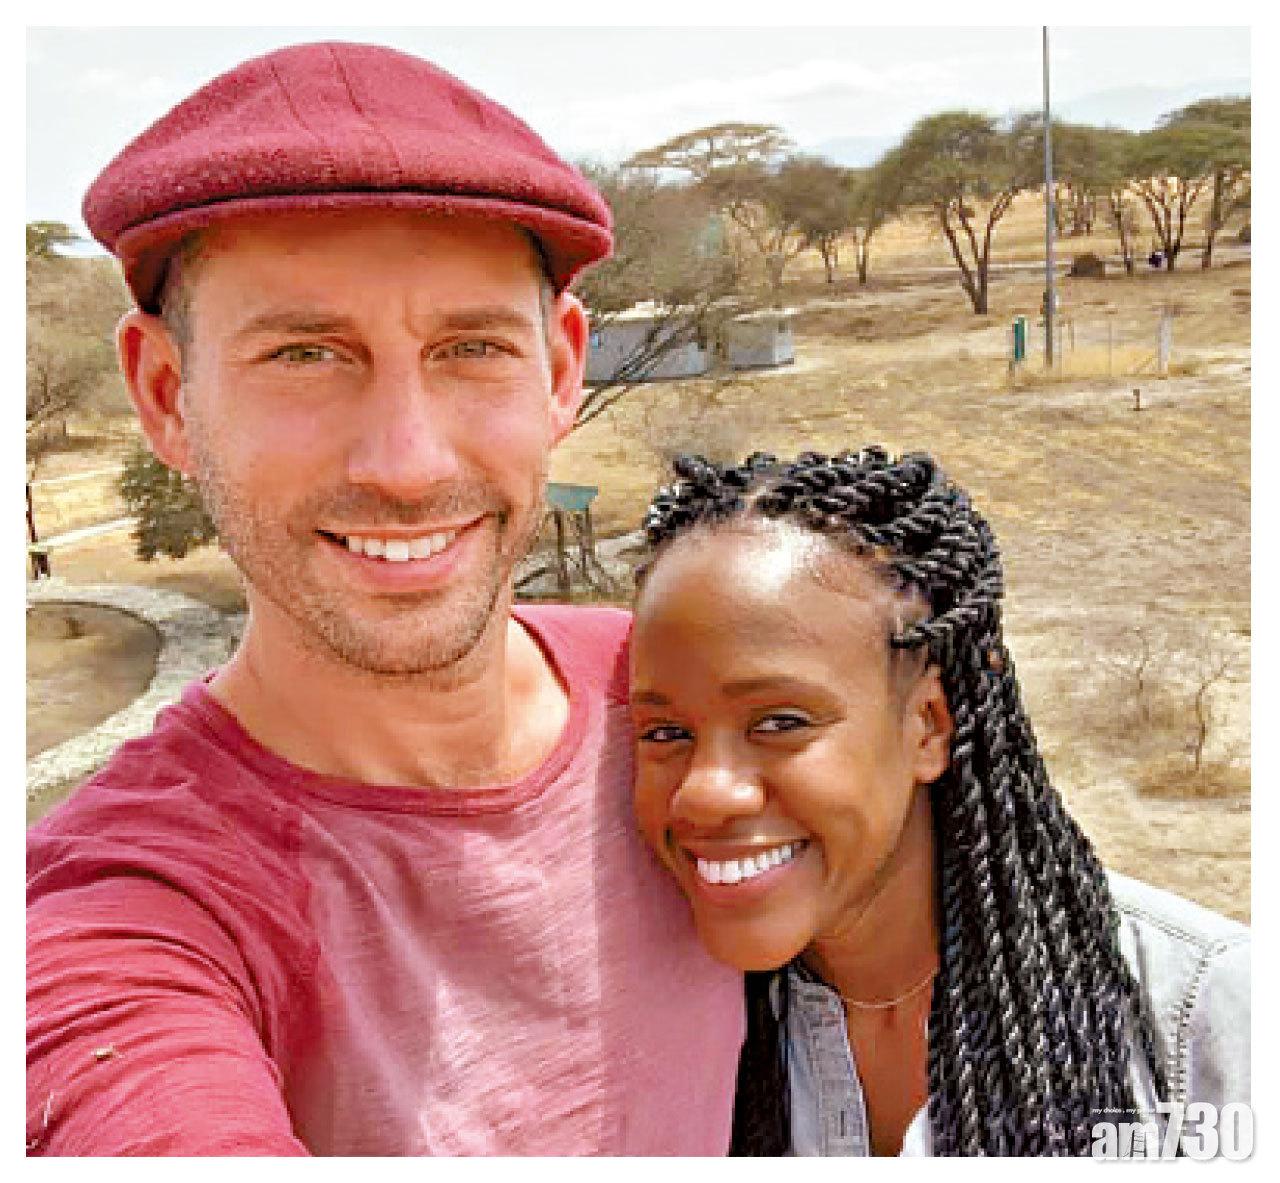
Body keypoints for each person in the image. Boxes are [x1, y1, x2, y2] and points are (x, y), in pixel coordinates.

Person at [26, 41, 744, 1156]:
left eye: (471, 348)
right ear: (165, 395)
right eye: (305, 355)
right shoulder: (126, 911)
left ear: (561, 372)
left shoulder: (681, 703)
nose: (406, 463)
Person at [629, 447, 1250, 1157]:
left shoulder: (1200, 1021)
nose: (705, 792)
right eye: (665, 732)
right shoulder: (678, 1027)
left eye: (779, 722)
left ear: (929, 724)